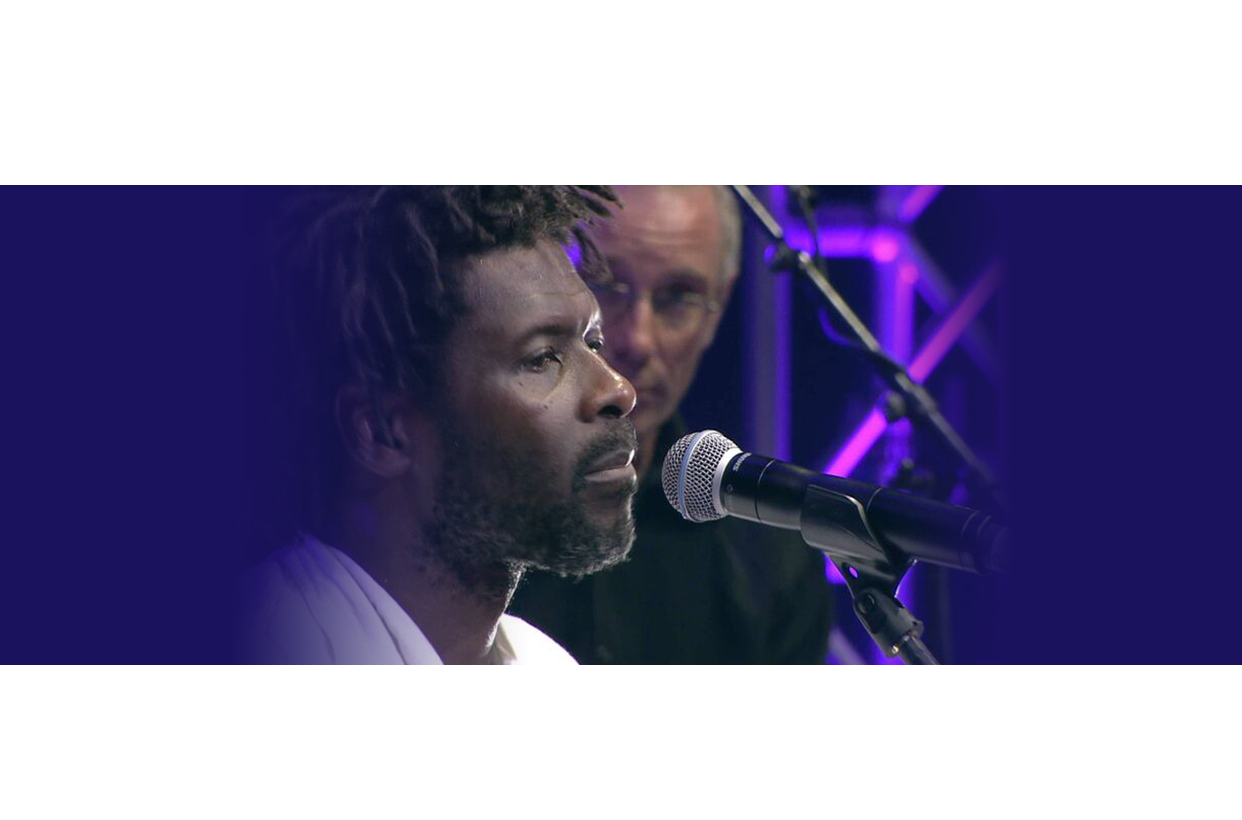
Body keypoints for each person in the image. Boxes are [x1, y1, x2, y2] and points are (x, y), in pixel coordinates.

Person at [239, 186, 640, 664]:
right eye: (541, 358)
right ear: (383, 431)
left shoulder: (543, 662)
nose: (618, 389)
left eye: (592, 344)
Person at [509, 186, 834, 663]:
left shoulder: (771, 557)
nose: (639, 339)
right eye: (606, 284)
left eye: (678, 298)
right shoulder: (464, 505)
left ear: (719, 306)